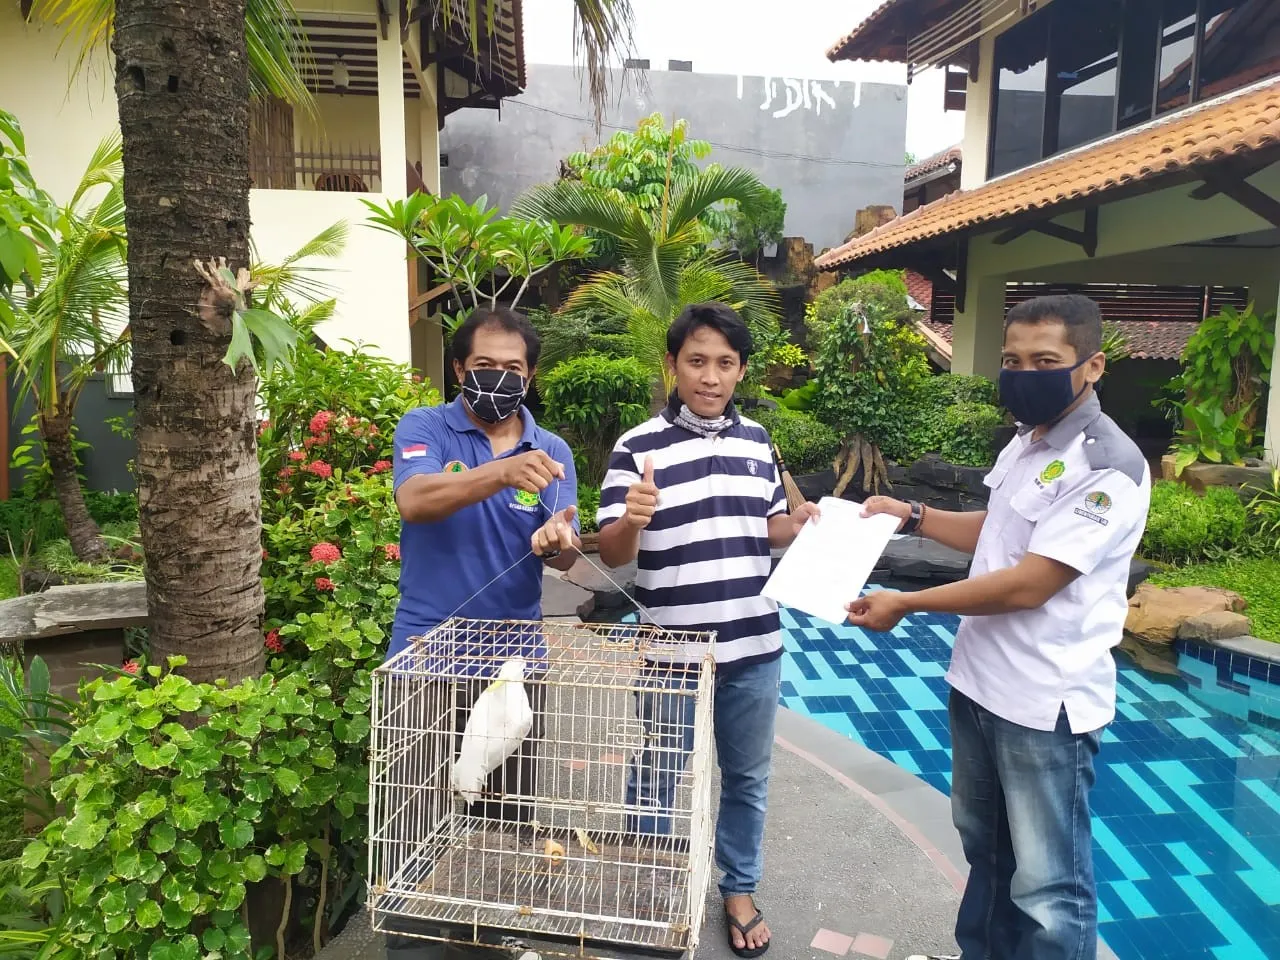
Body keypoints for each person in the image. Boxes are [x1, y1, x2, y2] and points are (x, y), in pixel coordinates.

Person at [845, 295, 1151, 960]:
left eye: (1045, 360)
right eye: (1012, 360)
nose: (1023, 374)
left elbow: (1030, 582)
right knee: (986, 852)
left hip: (1044, 705)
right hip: (981, 684)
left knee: (1049, 887)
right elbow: (999, 528)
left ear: (1092, 365)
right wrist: (912, 514)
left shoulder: (1106, 466)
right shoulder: (1029, 439)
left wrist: (907, 603)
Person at [596, 302, 819, 959]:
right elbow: (612, 552)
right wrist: (632, 519)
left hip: (755, 645)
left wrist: (797, 525)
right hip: (672, 650)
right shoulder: (638, 446)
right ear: (673, 365)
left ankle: (739, 890)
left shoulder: (758, 441)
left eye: (725, 363)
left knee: (747, 779)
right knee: (658, 770)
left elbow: (768, 529)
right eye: (696, 361)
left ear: (742, 369)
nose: (711, 376)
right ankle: (648, 882)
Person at [386, 307, 580, 960]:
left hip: (515, 662)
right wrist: (500, 472)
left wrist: (557, 540)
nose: (500, 378)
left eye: (514, 369)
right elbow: (415, 499)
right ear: (459, 369)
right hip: (426, 655)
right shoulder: (425, 427)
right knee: (412, 808)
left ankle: (488, 939)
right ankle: (412, 946)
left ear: (531, 376)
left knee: (505, 812)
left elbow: (566, 551)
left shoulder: (552, 451)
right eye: (485, 366)